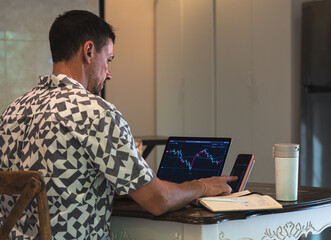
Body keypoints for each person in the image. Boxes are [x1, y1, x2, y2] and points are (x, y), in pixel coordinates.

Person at [0, 10, 236, 239]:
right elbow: (158, 200)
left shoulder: (11, 112)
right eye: (108, 59)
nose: (109, 73)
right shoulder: (95, 113)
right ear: (89, 51)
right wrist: (202, 186)